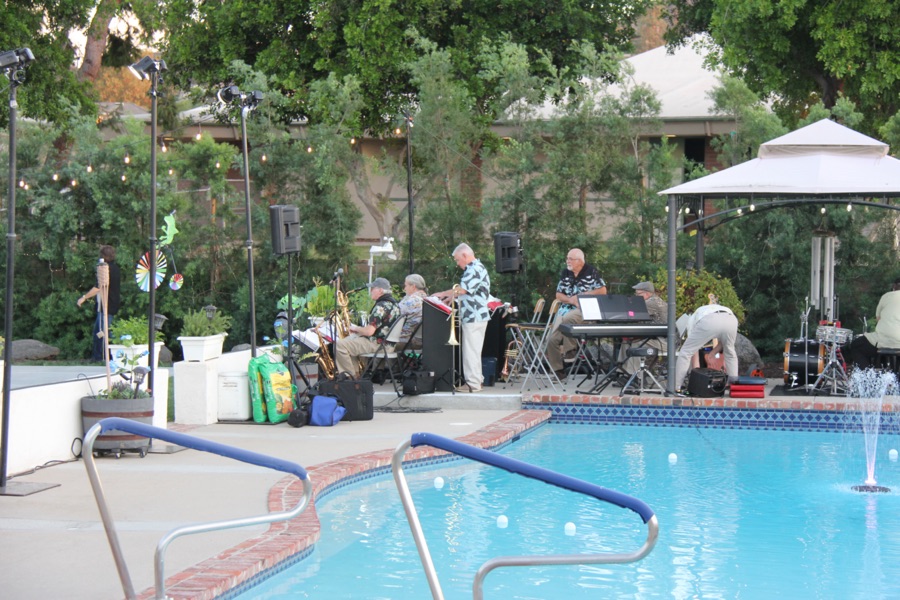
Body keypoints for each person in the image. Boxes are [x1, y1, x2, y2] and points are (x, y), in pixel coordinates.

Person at [435, 243, 491, 393]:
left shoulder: (473, 269)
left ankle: (473, 384)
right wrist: (450, 297)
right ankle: (477, 380)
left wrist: (443, 294)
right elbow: (465, 292)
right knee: (474, 350)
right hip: (476, 315)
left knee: (471, 351)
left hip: (474, 315)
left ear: (465, 255)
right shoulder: (476, 268)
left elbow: (462, 289)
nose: (458, 263)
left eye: (458, 260)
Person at [546, 248, 606, 379]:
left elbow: (602, 291)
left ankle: (570, 350)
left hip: (585, 310)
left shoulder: (591, 271)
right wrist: (570, 300)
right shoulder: (565, 273)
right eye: (567, 258)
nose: (567, 261)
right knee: (550, 340)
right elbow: (558, 294)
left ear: (580, 261)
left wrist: (583, 295)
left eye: (570, 259)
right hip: (566, 309)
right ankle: (558, 371)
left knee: (569, 318)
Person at [333, 277, 400, 378]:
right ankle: (355, 375)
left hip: (377, 344)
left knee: (340, 345)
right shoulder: (395, 305)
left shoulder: (381, 307)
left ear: (380, 290)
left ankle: (349, 378)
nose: (371, 291)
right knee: (349, 342)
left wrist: (356, 329)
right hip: (388, 345)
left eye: (373, 288)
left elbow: (369, 332)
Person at [674, 301, 739, 392]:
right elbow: (723, 343)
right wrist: (712, 354)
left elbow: (693, 352)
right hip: (731, 319)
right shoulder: (712, 308)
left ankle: (676, 387)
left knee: (685, 352)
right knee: (730, 352)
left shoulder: (691, 320)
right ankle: (734, 387)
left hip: (709, 320)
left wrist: (696, 377)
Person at [77, 245, 121, 362]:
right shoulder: (116, 268)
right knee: (101, 332)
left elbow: (98, 287)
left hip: (107, 304)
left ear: (103, 256)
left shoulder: (105, 269)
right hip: (111, 303)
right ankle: (100, 357)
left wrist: (84, 297)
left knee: (103, 332)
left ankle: (107, 357)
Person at [849, 279, 900, 369]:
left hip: (884, 340)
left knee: (856, 345)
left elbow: (878, 319)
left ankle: (869, 377)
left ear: (894, 287)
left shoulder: (887, 296)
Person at [621, 281, 667, 376]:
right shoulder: (652, 300)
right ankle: (624, 372)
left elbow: (633, 315)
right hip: (659, 338)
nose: (636, 296)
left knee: (635, 342)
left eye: (638, 294)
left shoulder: (651, 302)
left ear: (647, 293)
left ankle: (635, 377)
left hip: (665, 342)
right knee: (626, 340)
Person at [397, 274, 427, 350]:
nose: (404, 288)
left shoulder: (413, 300)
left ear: (413, 286)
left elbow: (395, 315)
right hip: (418, 339)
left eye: (406, 285)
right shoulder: (426, 298)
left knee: (375, 343)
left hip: (405, 340)